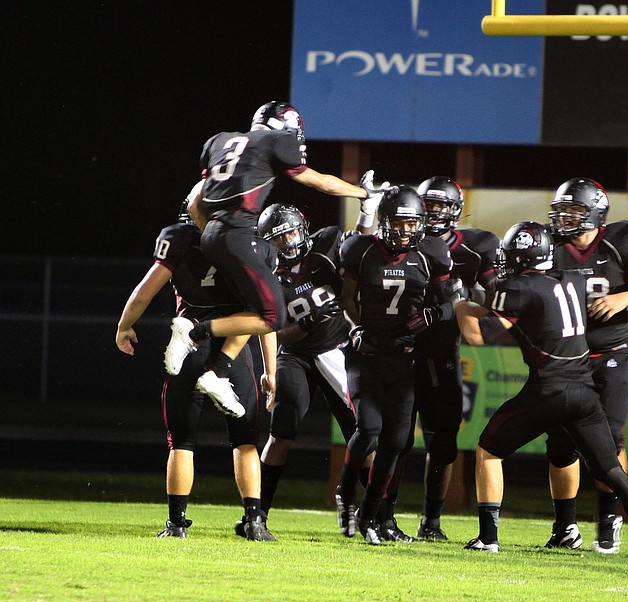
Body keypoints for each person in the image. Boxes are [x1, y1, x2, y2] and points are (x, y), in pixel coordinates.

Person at [455, 221, 628, 561]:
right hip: (584, 391)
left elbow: (479, 335)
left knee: (488, 450)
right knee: (611, 468)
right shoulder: (571, 279)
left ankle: (488, 537)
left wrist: (461, 306)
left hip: (549, 390)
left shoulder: (520, 288)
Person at [163, 101, 379, 417]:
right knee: (272, 318)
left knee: (255, 309)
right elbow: (317, 181)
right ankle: (194, 333)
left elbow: (196, 202)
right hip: (239, 234)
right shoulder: (278, 142)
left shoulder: (219, 141)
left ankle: (218, 372)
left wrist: (214, 237)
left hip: (213, 232)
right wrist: (363, 195)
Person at [115, 193, 276, 541]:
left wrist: (124, 326)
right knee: (246, 440)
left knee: (182, 441)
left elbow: (144, 292)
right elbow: (266, 317)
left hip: (188, 346)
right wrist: (271, 370)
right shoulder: (252, 245)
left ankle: (177, 524)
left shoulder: (181, 239)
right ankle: (254, 521)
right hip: (235, 352)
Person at [544, 178, 628, 554]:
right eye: (562, 210)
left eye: (575, 212)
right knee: (561, 443)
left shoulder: (619, 244)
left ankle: (608, 521)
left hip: (612, 353)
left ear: (596, 215)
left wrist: (625, 298)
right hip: (568, 359)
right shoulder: (550, 249)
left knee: (609, 441)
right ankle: (565, 528)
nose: (565, 218)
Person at [234, 203, 375, 536]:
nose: (289, 243)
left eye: (293, 233)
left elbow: (360, 250)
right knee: (281, 432)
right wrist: (310, 321)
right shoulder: (267, 274)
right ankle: (258, 514)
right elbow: (275, 333)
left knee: (364, 434)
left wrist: (366, 214)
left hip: (339, 349)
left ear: (305, 226)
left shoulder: (326, 246)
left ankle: (368, 511)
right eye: (280, 239)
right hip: (296, 355)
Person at [379, 176, 499, 542]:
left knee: (443, 442)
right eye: (426, 207)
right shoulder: (394, 243)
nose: (432, 215)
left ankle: (431, 521)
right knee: (393, 440)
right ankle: (382, 516)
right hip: (397, 351)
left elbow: (498, 299)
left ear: (456, 211)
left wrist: (449, 310)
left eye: (440, 207)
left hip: (441, 352)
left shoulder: (476, 249)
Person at [333, 186, 454, 545]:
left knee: (397, 441)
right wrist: (355, 327)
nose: (404, 231)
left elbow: (449, 303)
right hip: (366, 353)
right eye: (398, 223)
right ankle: (344, 489)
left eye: (411, 223)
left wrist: (434, 313)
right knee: (369, 428)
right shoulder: (361, 249)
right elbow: (346, 298)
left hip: (405, 358)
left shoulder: (431, 253)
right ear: (384, 222)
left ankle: (369, 517)